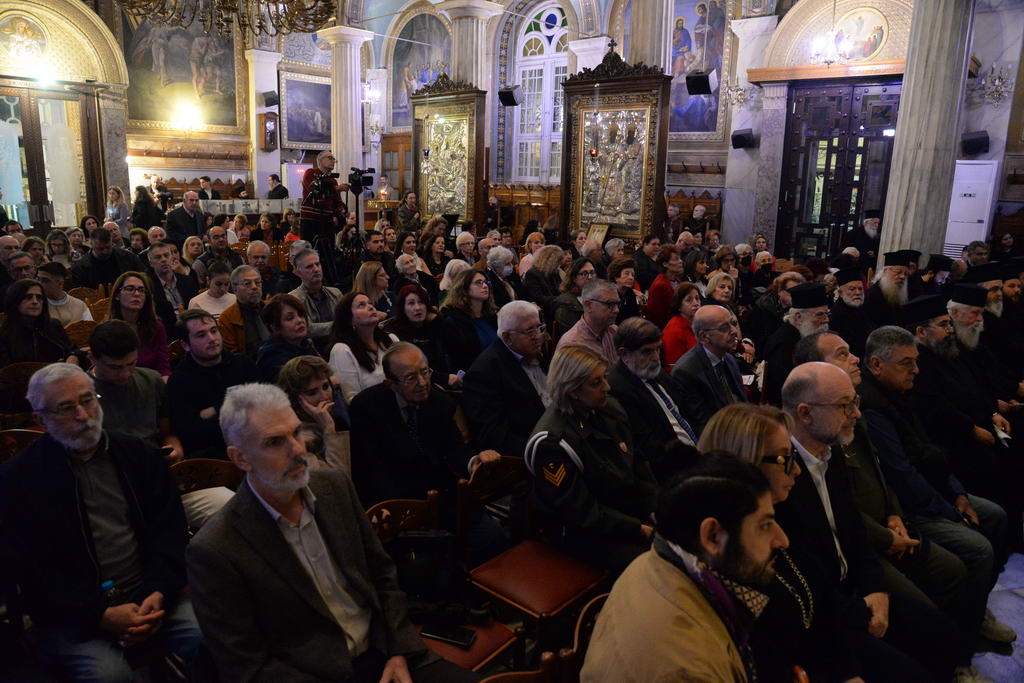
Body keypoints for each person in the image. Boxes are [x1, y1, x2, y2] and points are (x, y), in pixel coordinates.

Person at [186, 383, 477, 683]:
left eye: (296, 432)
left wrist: (398, 650)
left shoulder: (333, 486)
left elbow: (382, 573)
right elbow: (248, 667)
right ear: (240, 458)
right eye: (274, 442)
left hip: (387, 649)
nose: (297, 450)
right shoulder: (215, 549)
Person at [0, 363, 202, 682]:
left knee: (205, 635)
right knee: (110, 675)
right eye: (66, 408)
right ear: (40, 420)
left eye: (87, 400)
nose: (83, 415)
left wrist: (158, 591)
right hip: (71, 616)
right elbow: (31, 574)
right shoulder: (18, 480)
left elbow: (171, 534)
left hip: (150, 594)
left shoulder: (139, 455)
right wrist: (100, 615)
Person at [779, 363, 961, 682]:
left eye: (855, 402)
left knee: (942, 633)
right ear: (805, 413)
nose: (856, 414)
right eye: (844, 405)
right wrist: (861, 610)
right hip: (824, 609)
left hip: (855, 584)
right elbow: (803, 573)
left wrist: (876, 589)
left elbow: (855, 532)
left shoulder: (832, 453)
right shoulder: (782, 475)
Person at [860, 323, 1015, 662]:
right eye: (906, 363)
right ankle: (961, 649)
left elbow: (930, 450)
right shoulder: (872, 408)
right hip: (911, 507)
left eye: (916, 361)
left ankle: (975, 610)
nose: (916, 370)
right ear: (876, 365)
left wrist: (958, 494)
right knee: (978, 550)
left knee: (996, 516)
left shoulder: (900, 392)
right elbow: (902, 474)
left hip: (936, 491)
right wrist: (951, 512)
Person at [582, 452, 789, 682]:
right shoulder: (689, 672)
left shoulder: (654, 560)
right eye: (764, 525)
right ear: (712, 535)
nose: (782, 540)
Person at [526, 343, 658, 574]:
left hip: (621, 510)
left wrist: (654, 506)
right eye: (596, 383)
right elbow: (581, 512)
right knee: (653, 566)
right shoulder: (553, 443)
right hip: (584, 532)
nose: (607, 387)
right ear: (573, 391)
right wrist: (637, 528)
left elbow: (637, 464)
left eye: (604, 377)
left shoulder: (608, 408)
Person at [349, 341, 501, 518]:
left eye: (425, 372)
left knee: (492, 532)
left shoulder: (439, 401)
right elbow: (369, 469)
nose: (422, 383)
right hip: (396, 502)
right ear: (390, 384)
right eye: (410, 378)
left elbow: (455, 448)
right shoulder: (366, 408)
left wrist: (474, 461)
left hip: (442, 494)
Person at [608, 317, 700, 482]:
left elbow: (687, 413)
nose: (656, 357)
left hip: (695, 451)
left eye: (658, 349)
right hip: (673, 471)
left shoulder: (655, 372)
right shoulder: (618, 389)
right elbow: (650, 449)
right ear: (624, 354)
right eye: (647, 352)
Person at [462, 300, 550, 459]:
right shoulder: (483, 373)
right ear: (507, 337)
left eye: (540, 328)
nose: (538, 336)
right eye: (530, 331)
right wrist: (542, 449)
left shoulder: (536, 352)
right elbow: (492, 434)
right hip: (531, 452)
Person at [167, 309, 258, 459]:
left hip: (256, 445)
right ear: (185, 345)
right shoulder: (179, 381)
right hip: (214, 459)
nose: (212, 338)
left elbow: (264, 408)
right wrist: (233, 405)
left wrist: (212, 411)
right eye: (201, 335)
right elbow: (192, 435)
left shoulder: (243, 365)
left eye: (214, 331)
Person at [671, 305, 748, 434]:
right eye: (724, 328)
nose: (734, 331)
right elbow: (704, 426)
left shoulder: (728, 359)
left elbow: (742, 402)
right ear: (704, 337)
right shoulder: (686, 372)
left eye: (733, 323)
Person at [276, 355, 350, 472]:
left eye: (326, 386)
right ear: (295, 399)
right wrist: (329, 429)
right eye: (312, 393)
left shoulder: (339, 415)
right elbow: (336, 479)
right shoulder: (298, 439)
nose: (324, 397)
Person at [762, 281, 830, 406]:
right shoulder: (784, 344)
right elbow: (786, 388)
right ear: (798, 317)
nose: (826, 320)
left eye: (827, 313)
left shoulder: (803, 334)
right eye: (820, 315)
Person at [328, 291, 398, 403]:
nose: (370, 307)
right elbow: (352, 400)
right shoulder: (342, 350)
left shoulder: (391, 339)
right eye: (361, 305)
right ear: (349, 319)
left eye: (370, 303)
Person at [0, 278, 80, 368]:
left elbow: (72, 350)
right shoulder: (4, 335)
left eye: (39, 297)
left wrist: (73, 356)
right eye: (28, 297)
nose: (35, 301)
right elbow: (6, 371)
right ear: (15, 300)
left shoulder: (53, 325)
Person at [107, 271, 170, 377]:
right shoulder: (108, 330)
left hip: (153, 382)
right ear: (117, 295)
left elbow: (164, 368)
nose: (136, 294)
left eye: (141, 290)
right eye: (130, 289)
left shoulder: (156, 326)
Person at [300, 151, 349, 284]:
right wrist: (337, 189)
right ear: (320, 160)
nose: (333, 161)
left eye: (334, 159)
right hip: (310, 220)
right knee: (309, 251)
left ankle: (329, 280)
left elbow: (337, 202)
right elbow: (315, 191)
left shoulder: (333, 180)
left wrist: (341, 211)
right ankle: (308, 280)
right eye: (330, 158)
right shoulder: (311, 173)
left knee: (328, 252)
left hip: (327, 222)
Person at [439, 268, 498, 374]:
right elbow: (459, 360)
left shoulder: (491, 315)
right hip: (475, 374)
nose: (485, 286)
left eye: (486, 282)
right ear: (464, 288)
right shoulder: (453, 320)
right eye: (478, 282)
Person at [256, 293, 318, 383]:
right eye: (290, 318)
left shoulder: (306, 344)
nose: (300, 320)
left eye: (301, 315)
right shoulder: (272, 356)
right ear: (275, 327)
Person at [556, 278, 620, 363]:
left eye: (617, 304)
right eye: (610, 304)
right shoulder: (572, 345)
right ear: (588, 305)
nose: (616, 310)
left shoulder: (613, 331)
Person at [289, 248, 343, 348]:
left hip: (340, 344)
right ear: (298, 272)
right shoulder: (293, 299)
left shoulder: (335, 293)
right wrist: (339, 325)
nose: (316, 269)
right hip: (312, 350)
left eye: (317, 264)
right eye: (309, 267)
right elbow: (307, 329)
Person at [217, 264, 270, 359]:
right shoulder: (226, 319)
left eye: (258, 282)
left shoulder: (272, 308)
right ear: (234, 288)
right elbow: (233, 356)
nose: (254, 287)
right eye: (247, 283)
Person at [745, 271, 806, 351]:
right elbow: (758, 340)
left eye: (799, 292)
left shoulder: (802, 308)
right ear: (780, 291)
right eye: (791, 291)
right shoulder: (762, 308)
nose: (796, 296)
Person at [70, 228, 145, 291]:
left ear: (111, 242)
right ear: (91, 244)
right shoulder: (80, 266)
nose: (105, 251)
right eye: (100, 248)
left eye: (108, 247)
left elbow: (143, 276)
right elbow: (80, 292)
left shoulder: (128, 258)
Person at [829, 268, 871, 358]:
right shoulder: (837, 314)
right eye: (852, 289)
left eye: (860, 288)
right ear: (840, 293)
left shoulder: (861, 305)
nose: (858, 292)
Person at [863, 251, 912, 328]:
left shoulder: (898, 291)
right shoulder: (872, 294)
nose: (903, 277)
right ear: (885, 271)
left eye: (905, 274)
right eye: (898, 272)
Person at [524, 245, 569, 326]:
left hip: (556, 306)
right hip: (544, 312)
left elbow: (561, 289)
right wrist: (562, 300)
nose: (559, 264)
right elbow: (538, 298)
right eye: (558, 261)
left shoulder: (553, 271)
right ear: (549, 261)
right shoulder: (532, 274)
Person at [38, 261, 93, 326]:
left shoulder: (80, 306)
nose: (39, 284)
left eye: (45, 281)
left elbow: (90, 328)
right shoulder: (38, 305)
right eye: (38, 279)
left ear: (60, 283)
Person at [662, 281, 701, 370]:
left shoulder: (699, 323)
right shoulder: (674, 330)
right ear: (679, 306)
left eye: (697, 298)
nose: (696, 303)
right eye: (689, 300)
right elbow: (673, 367)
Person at [645, 246, 683, 328]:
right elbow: (659, 317)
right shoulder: (660, 285)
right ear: (665, 264)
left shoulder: (677, 281)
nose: (681, 261)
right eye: (676, 259)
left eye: (680, 258)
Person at [482, 244, 522, 309]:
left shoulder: (512, 275)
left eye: (511, 263)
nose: (511, 266)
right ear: (497, 266)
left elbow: (522, 293)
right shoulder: (490, 280)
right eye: (507, 264)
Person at [608, 257, 642, 323]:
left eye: (633, 275)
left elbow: (635, 317)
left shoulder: (630, 293)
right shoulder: (609, 295)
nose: (631, 278)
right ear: (616, 277)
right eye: (627, 274)